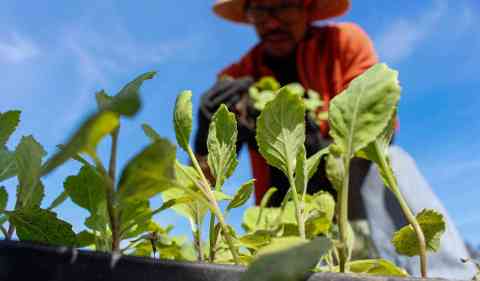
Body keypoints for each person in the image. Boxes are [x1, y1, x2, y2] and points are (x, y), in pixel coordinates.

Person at [194, 0, 476, 278]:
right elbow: (207, 181)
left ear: (307, 7)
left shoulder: (343, 44)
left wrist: (317, 144)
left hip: (345, 188)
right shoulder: (239, 74)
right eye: (259, 10)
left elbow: (378, 131)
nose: (272, 21)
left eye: (284, 6)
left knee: (390, 162)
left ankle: (448, 274)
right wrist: (208, 135)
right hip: (281, 206)